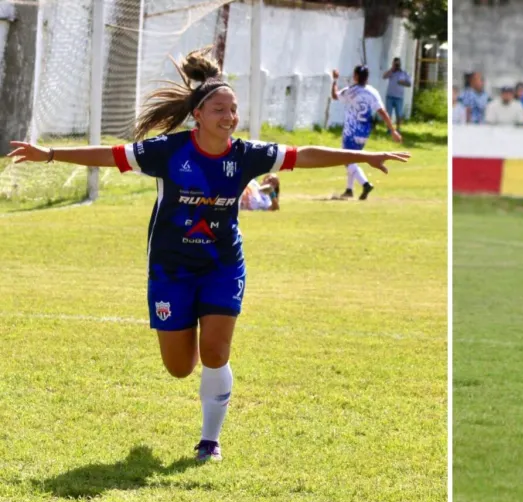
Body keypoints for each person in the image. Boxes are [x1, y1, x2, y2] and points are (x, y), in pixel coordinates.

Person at [7, 47, 410, 462]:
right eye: (220, 108)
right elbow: (111, 156)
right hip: (170, 268)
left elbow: (303, 153)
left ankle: (209, 442)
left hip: (222, 265)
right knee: (180, 367)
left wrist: (364, 155)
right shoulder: (168, 151)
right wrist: (50, 153)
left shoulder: (246, 155)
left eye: (233, 109)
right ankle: (190, 334)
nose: (229, 116)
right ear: (198, 114)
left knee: (217, 353)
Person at [331, 65, 402, 200]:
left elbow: (335, 96)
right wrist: (393, 130)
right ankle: (349, 190)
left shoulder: (351, 91)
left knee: (347, 159)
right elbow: (383, 112)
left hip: (351, 131)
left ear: (356, 76)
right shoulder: (373, 92)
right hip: (364, 132)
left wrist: (334, 80)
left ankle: (365, 184)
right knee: (352, 159)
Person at [381, 57, 411, 131]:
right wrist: (392, 69)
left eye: (398, 63)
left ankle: (398, 129)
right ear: (393, 64)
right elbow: (384, 77)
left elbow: (409, 84)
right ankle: (389, 129)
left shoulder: (404, 73)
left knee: (399, 114)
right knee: (388, 114)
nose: (397, 65)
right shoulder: (391, 72)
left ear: (400, 64)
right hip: (390, 96)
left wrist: (402, 82)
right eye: (395, 63)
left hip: (399, 97)